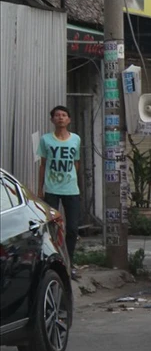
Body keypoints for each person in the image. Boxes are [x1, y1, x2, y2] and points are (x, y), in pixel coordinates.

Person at [38, 105, 82, 269]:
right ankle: (53, 261)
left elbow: (76, 162)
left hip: (71, 189)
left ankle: (69, 261)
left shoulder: (76, 139)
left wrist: (73, 180)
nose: (60, 118)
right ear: (52, 120)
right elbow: (43, 165)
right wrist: (39, 188)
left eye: (64, 115)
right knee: (51, 228)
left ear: (69, 119)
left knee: (72, 228)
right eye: (57, 115)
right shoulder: (46, 139)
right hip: (51, 189)